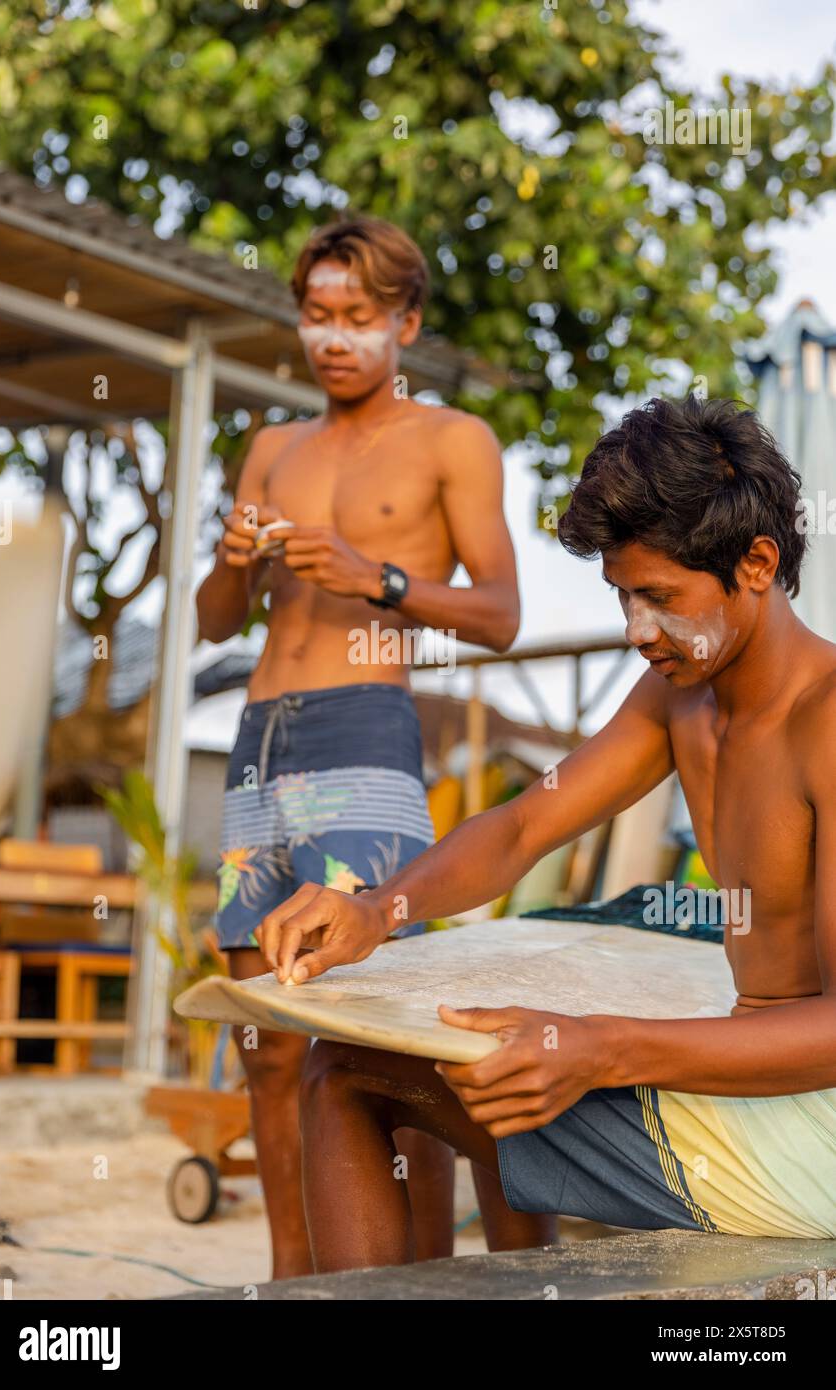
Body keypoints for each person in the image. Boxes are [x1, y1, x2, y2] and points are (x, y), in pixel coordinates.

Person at [257, 395, 836, 1268]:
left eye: (660, 597)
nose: (638, 631)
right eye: (622, 597)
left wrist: (601, 1047)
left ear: (755, 563)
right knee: (490, 1057)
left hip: (810, 1139)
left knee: (349, 1072)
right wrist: (379, 908)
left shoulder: (825, 722)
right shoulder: (681, 694)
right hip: (748, 1100)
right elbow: (527, 825)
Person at [196, 214, 552, 1277]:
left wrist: (380, 579)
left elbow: (500, 613)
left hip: (365, 729)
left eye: (358, 317)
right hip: (261, 739)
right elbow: (220, 619)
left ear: (406, 321)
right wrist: (226, 563)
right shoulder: (272, 448)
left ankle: (420, 1283)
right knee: (264, 1035)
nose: (333, 339)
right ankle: (293, 1282)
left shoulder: (453, 441)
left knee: (377, 1036)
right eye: (316, 315)